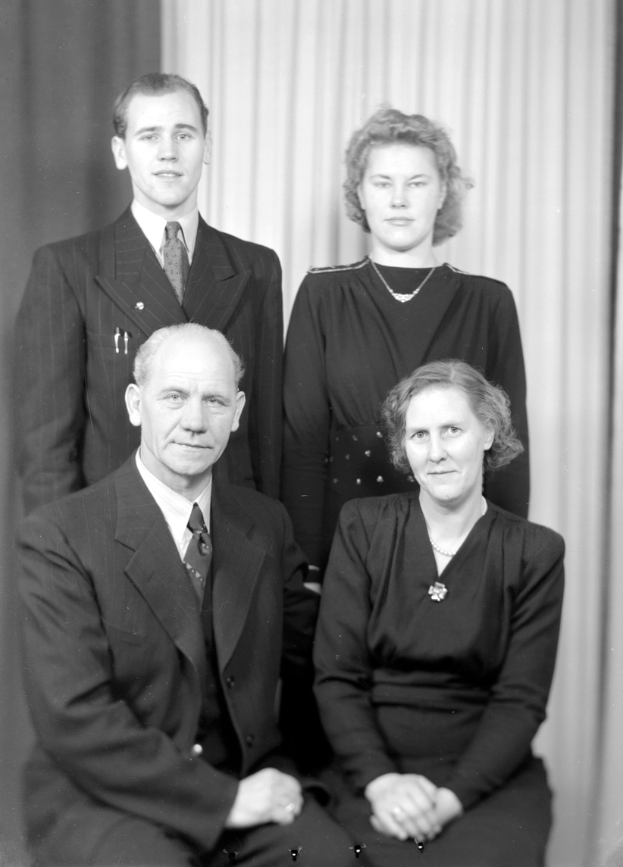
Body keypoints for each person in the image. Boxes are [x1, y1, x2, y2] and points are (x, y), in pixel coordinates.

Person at [19, 324, 361, 867]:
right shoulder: (60, 534)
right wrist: (226, 801)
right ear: (136, 405)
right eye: (174, 397)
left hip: (245, 780)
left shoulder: (265, 523)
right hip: (111, 801)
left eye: (215, 400)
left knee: (332, 859)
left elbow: (315, 659)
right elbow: (75, 720)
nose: (196, 421)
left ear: (239, 411)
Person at [313, 360, 564, 866]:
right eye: (419, 435)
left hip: (483, 781)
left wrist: (447, 803)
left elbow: (521, 700)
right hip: (371, 770)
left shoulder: (535, 551)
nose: (436, 452)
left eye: (452, 430)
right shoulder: (363, 526)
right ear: (402, 448)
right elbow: (336, 677)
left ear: (488, 431)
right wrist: (382, 783)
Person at [16, 73, 282, 516]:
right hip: (113, 532)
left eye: (184, 134)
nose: (168, 153)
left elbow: (266, 435)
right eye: (149, 136)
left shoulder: (256, 267)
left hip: (231, 530)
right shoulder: (69, 267)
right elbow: (47, 450)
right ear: (121, 151)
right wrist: (63, 562)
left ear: (207, 146)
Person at [282, 108, 529, 585]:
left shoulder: (488, 301)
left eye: (416, 183)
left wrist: (506, 557)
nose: (398, 200)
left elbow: (510, 451)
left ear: (443, 193)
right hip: (346, 547)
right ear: (359, 193)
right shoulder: (323, 294)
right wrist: (307, 565)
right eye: (382, 183)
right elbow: (303, 443)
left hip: (461, 548)